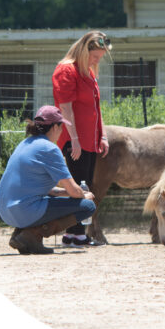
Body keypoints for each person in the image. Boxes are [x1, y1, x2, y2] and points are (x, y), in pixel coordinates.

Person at [0, 105, 97, 255]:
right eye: (61, 126)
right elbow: (74, 191)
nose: (62, 131)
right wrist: (84, 195)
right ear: (55, 127)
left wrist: (69, 193)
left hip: (5, 211)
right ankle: (32, 234)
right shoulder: (49, 149)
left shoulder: (25, 144)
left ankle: (21, 234)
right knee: (88, 206)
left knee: (70, 200)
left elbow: (48, 190)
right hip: (24, 211)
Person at [52, 30, 111, 247]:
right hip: (74, 140)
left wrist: (102, 135)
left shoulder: (88, 72)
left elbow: (96, 108)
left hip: (90, 140)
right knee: (77, 186)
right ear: (84, 50)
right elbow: (65, 107)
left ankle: (78, 233)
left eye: (99, 58)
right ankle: (72, 233)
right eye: (95, 57)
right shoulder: (66, 70)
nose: (97, 61)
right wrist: (74, 139)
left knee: (86, 187)